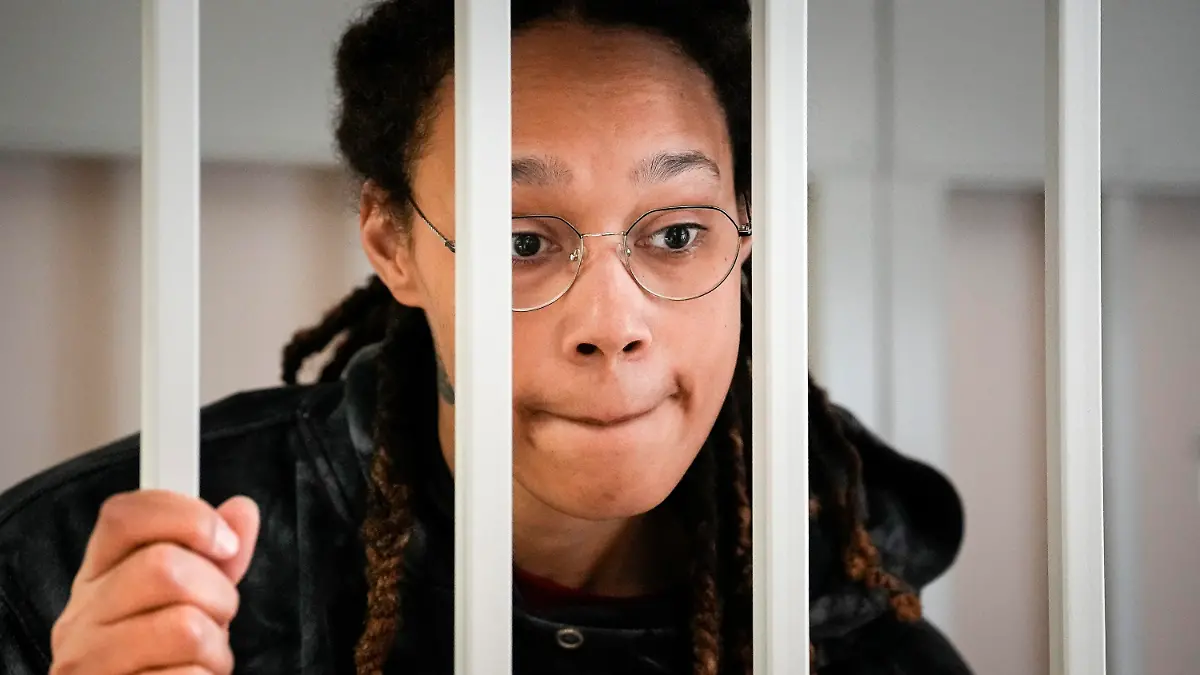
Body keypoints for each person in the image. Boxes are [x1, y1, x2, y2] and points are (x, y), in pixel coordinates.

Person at [0, 1, 970, 673]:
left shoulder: (849, 619)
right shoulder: (101, 579)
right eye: (521, 240)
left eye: (676, 234)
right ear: (394, 244)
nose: (612, 326)